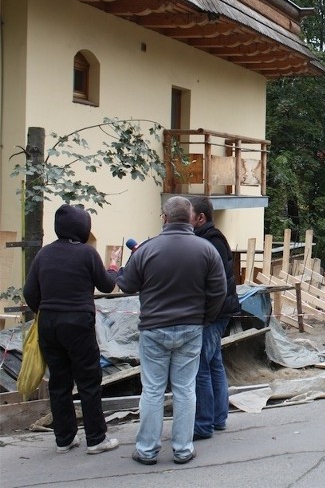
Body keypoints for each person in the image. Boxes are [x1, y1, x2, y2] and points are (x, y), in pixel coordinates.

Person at [116, 196, 226, 465]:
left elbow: (127, 286)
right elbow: (219, 290)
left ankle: (146, 449)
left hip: (154, 329)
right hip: (191, 328)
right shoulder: (206, 250)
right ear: (190, 218)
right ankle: (182, 449)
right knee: (186, 389)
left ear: (164, 218)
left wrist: (119, 268)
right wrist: (205, 318)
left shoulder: (146, 250)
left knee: (152, 390)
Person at [22, 204, 121, 455]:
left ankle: (64, 439)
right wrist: (113, 268)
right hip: (78, 323)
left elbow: (30, 293)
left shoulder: (43, 255)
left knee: (59, 382)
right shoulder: (87, 254)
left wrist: (47, 310)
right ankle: (96, 439)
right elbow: (108, 286)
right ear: (84, 228)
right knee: (88, 381)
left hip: (49, 325)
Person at [189, 196, 240, 440]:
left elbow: (215, 283)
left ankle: (205, 423)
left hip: (215, 312)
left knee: (201, 366)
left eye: (188, 215)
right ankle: (219, 418)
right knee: (213, 362)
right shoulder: (207, 239)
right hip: (218, 310)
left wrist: (208, 314)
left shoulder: (211, 241)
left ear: (201, 218)